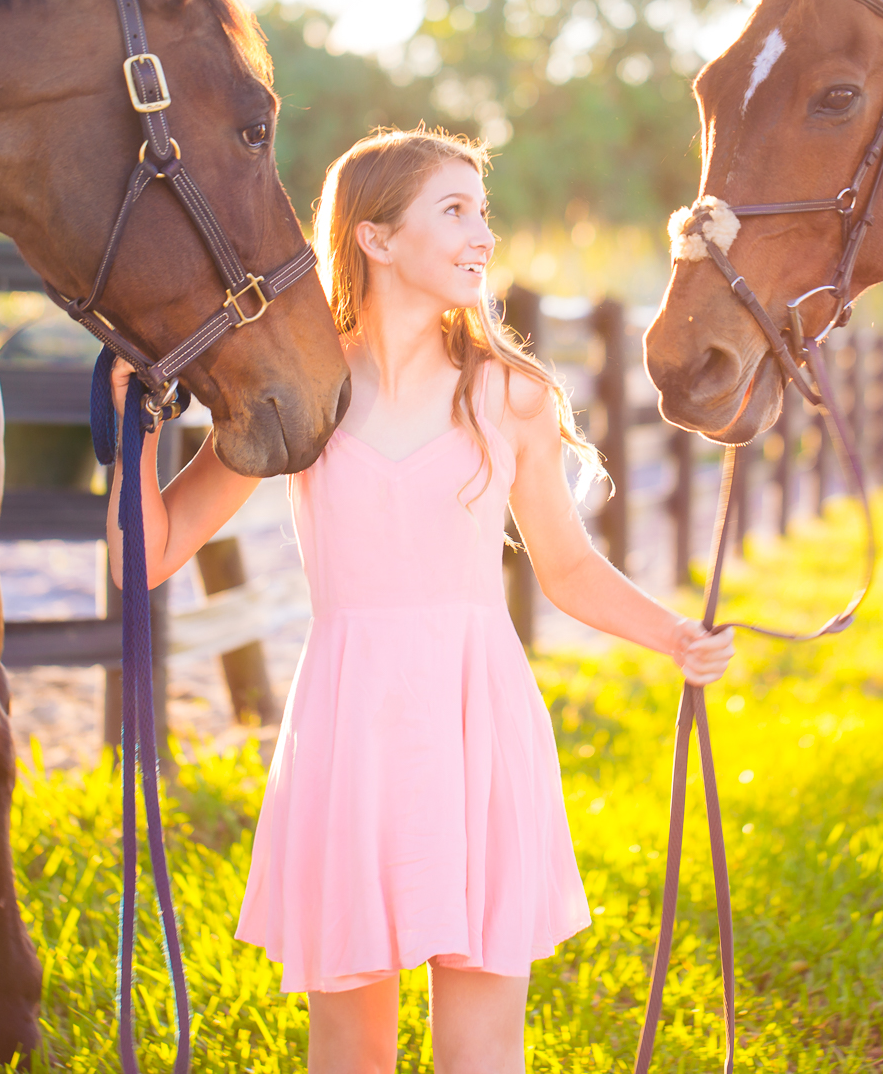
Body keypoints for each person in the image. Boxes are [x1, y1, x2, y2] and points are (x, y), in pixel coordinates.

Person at [108, 127, 734, 1073]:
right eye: (455, 210)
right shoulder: (299, 394)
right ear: (376, 237)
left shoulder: (508, 394)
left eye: (483, 211)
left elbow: (566, 567)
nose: (483, 232)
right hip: (348, 730)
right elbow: (144, 557)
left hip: (476, 722)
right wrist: (129, 430)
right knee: (349, 1052)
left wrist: (674, 635)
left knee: (480, 1053)